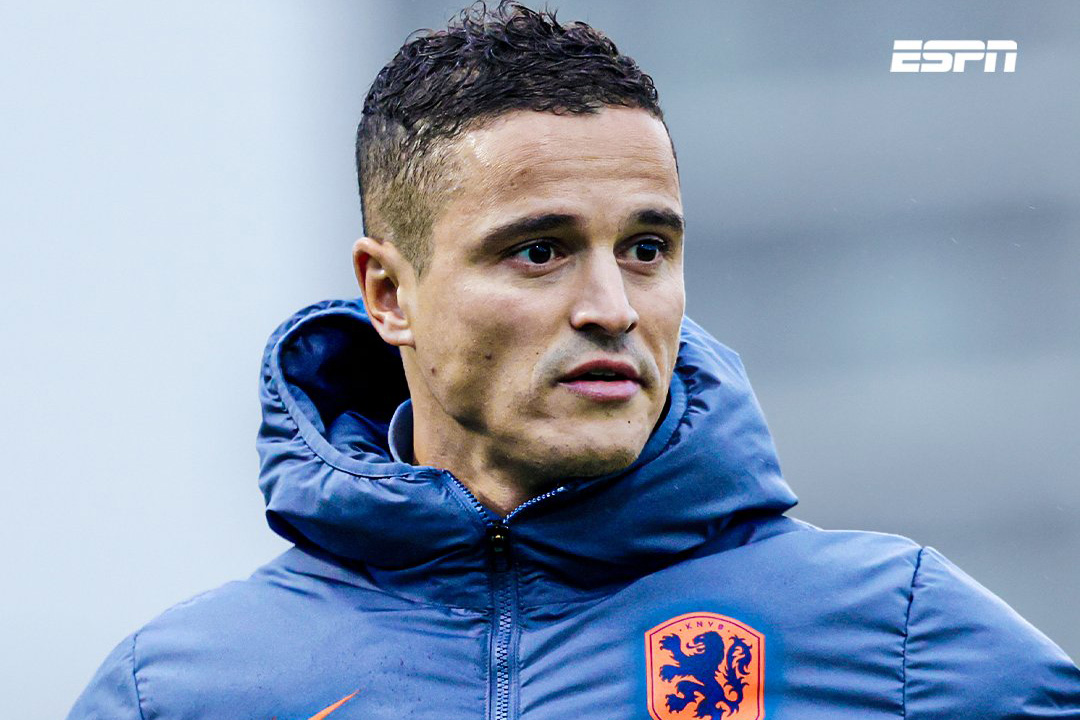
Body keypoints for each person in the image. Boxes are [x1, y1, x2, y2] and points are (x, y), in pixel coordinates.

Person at [68, 3, 1079, 719]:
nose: (612, 308)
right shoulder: (185, 692)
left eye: (646, 248)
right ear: (390, 294)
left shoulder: (897, 641)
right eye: (539, 251)